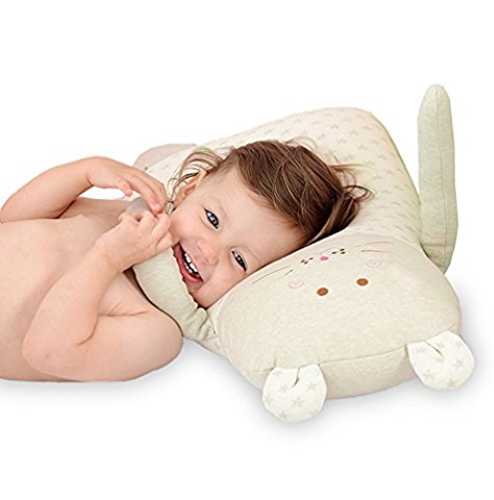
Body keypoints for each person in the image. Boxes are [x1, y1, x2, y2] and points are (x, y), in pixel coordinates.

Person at [0, 138, 371, 383]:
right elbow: (13, 221)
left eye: (239, 259)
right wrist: (85, 171)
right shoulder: (116, 216)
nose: (208, 251)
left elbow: (46, 351)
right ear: (189, 190)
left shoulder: (154, 330)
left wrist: (106, 260)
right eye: (211, 219)